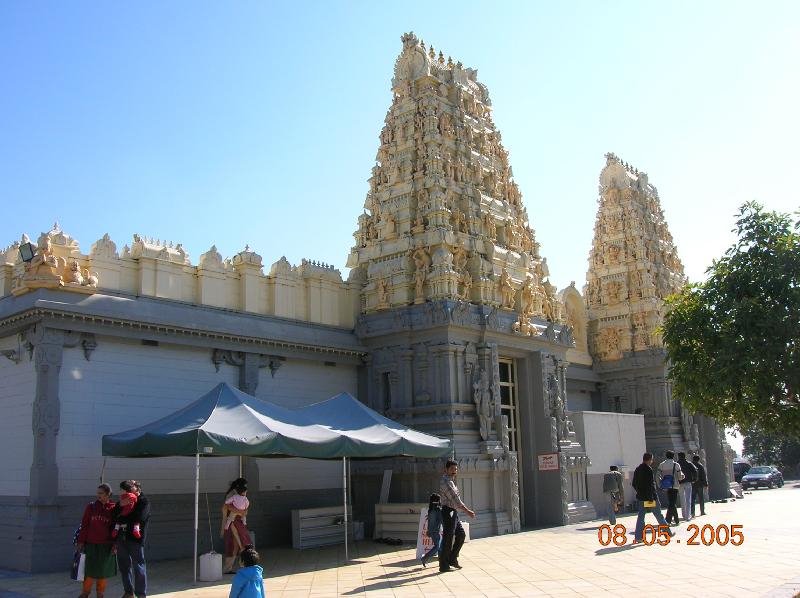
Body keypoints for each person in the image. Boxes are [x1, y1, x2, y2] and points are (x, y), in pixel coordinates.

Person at [76, 483, 117, 598]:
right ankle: (85, 592)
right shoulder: (91, 507)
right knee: (89, 570)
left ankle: (100, 593)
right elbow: (84, 525)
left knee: (102, 572)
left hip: (106, 545)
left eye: (101, 493)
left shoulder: (114, 508)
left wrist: (115, 544)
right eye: (97, 493)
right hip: (91, 544)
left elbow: (115, 528)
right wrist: (81, 541)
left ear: (108, 494)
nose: (98, 495)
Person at [438, 460, 475, 573]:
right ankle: (444, 565)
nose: (454, 471)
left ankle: (452, 559)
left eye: (456, 469)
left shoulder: (451, 481)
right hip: (448, 512)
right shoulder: (446, 482)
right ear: (446, 469)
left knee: (461, 535)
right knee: (448, 538)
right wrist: (467, 511)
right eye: (452, 469)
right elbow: (455, 500)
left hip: (453, 512)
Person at [115, 479, 150, 598]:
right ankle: (128, 592)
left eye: (131, 487)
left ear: (137, 488)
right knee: (124, 566)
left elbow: (140, 517)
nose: (127, 490)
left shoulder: (143, 501)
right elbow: (114, 514)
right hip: (121, 537)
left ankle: (141, 594)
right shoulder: (123, 500)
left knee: (138, 566)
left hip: (135, 538)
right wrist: (121, 505)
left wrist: (123, 516)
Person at [632, 453, 674, 543]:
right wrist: (651, 498)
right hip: (650, 498)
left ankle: (638, 537)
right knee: (659, 515)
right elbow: (650, 485)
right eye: (651, 459)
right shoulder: (648, 469)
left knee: (641, 517)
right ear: (649, 459)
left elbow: (634, 484)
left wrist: (639, 492)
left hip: (641, 497)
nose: (652, 461)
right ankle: (668, 533)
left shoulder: (638, 469)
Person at [222, 478, 253, 574]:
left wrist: (244, 512)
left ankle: (238, 566)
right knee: (238, 544)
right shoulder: (232, 494)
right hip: (233, 522)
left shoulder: (241, 493)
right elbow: (227, 506)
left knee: (238, 545)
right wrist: (241, 512)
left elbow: (245, 507)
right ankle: (232, 567)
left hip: (239, 521)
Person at [657, 450, 683, 525]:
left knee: (671, 502)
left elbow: (657, 475)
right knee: (672, 503)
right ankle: (668, 520)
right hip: (675, 486)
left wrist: (659, 484)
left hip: (666, 486)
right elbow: (680, 477)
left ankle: (675, 520)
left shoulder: (662, 465)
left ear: (666, 456)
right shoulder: (676, 465)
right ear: (673, 456)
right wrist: (682, 477)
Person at [420, 493, 442, 567]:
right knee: (437, 546)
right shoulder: (437, 510)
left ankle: (441, 560)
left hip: (433, 530)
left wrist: (429, 531)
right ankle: (425, 558)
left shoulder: (431, 510)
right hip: (435, 531)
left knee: (439, 546)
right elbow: (440, 520)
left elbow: (430, 522)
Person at [678, 452, 698, 521]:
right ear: (685, 456)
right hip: (688, 482)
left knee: (682, 499)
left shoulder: (677, 464)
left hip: (680, 483)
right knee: (688, 499)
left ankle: (684, 515)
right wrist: (694, 479)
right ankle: (688, 516)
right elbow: (695, 471)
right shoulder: (689, 463)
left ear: (679, 456)